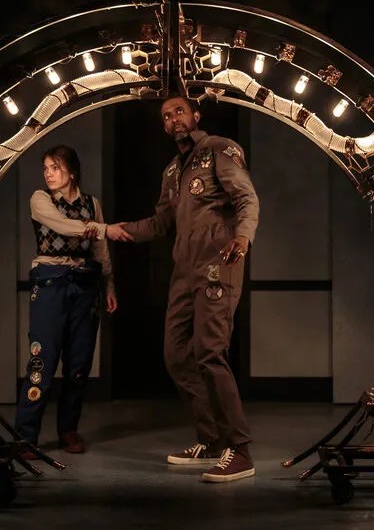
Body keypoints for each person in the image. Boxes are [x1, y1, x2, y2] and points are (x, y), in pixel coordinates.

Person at [111, 95, 259, 483]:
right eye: (166, 116)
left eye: (179, 111)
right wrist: (113, 230)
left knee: (209, 352)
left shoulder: (218, 149)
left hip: (218, 262)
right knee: (177, 355)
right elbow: (159, 224)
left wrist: (243, 237)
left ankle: (240, 450)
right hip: (184, 270)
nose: (173, 118)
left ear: (196, 115)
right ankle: (210, 440)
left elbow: (246, 196)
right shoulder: (172, 172)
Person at [14, 145, 129, 456]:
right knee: (42, 360)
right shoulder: (41, 199)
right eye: (46, 168)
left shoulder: (92, 204)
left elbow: (100, 251)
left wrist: (109, 285)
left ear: (72, 171)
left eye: (55, 167)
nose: (49, 174)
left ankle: (68, 429)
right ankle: (25, 435)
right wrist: (103, 229)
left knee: (79, 363)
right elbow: (60, 224)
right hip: (50, 284)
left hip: (85, 286)